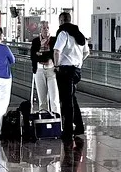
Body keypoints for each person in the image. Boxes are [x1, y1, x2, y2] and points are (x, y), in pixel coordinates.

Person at [53, 11, 89, 140]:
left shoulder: (63, 34)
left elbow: (57, 51)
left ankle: (68, 130)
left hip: (65, 71)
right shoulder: (80, 34)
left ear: (61, 21)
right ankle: (79, 126)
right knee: (72, 98)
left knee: (66, 101)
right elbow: (87, 52)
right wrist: (78, 61)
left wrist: (56, 66)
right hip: (76, 70)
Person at [31, 22, 60, 115]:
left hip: (51, 70)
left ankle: (56, 118)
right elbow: (33, 56)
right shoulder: (35, 41)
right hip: (39, 70)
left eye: (47, 27)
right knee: (42, 98)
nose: (46, 29)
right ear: (40, 30)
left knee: (54, 97)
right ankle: (43, 117)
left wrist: (40, 54)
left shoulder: (54, 40)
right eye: (44, 28)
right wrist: (43, 56)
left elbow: (53, 54)